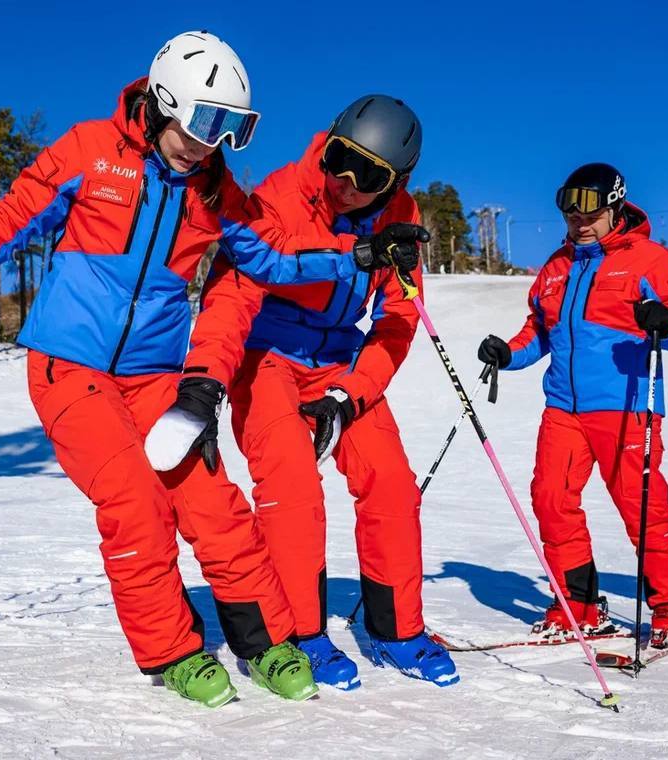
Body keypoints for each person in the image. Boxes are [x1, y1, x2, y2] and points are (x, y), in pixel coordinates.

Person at [0, 32, 393, 708]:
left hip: (156, 377)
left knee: (213, 503)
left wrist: (352, 260)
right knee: (136, 503)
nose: (212, 144)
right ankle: (175, 652)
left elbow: (271, 262)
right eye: (207, 123)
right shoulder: (91, 152)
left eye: (233, 130)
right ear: (165, 101)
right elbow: (13, 217)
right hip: (70, 367)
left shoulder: (218, 195)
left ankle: (267, 641)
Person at [148, 95, 458, 690]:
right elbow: (234, 295)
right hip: (267, 359)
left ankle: (399, 632)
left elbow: (397, 320)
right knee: (290, 484)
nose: (345, 182)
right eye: (341, 159)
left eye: (369, 175)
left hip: (340, 362)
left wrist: (351, 393)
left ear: (397, 183)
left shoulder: (401, 219)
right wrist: (205, 381)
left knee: (390, 481)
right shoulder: (281, 197)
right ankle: (300, 633)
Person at [477, 163, 668, 648]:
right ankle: (577, 603)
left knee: (641, 507)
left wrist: (664, 320)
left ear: (614, 207)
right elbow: (539, 332)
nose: (580, 222)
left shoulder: (648, 260)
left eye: (592, 213)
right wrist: (508, 354)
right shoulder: (556, 268)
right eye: (571, 212)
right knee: (551, 499)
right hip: (563, 408)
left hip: (626, 406)